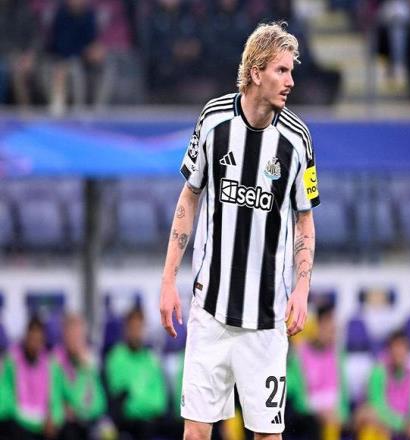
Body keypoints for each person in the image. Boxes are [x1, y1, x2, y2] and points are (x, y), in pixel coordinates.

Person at [159, 21, 320, 440]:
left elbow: (304, 219)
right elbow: (189, 197)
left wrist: (302, 288)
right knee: (196, 433)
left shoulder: (297, 139)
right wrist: (168, 281)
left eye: (291, 71)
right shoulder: (213, 120)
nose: (291, 81)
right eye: (281, 70)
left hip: (266, 323)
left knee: (267, 436)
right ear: (255, 72)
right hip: (210, 314)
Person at [354, 330, 410, 440]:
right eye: (396, 347)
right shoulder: (378, 372)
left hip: (404, 423)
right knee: (370, 419)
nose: (399, 352)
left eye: (403, 348)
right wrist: (403, 424)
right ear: (389, 350)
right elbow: (377, 406)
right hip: (385, 421)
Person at [104, 306, 167, 440]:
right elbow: (121, 397)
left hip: (152, 420)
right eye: (132, 328)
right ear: (126, 329)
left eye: (139, 327)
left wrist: (143, 405)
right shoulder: (116, 357)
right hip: (129, 423)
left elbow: (160, 400)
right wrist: (145, 405)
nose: (136, 332)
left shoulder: (151, 358)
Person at [3, 316, 64, 440]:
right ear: (26, 337)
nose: (34, 344)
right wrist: (25, 419)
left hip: (44, 426)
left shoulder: (51, 365)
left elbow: (56, 399)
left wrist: (54, 419)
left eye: (38, 340)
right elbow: (5, 398)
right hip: (18, 423)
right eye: (32, 339)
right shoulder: (12, 361)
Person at [296, 302, 349, 440]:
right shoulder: (300, 353)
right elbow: (298, 398)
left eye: (333, 327)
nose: (332, 330)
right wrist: (317, 412)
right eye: (327, 325)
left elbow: (343, 394)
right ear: (317, 326)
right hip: (309, 415)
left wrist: (341, 415)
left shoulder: (338, 354)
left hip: (334, 414)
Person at [54, 313, 106, 440]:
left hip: (89, 420)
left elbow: (99, 403)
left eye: (78, 334)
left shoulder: (90, 363)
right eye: (71, 333)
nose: (75, 338)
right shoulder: (55, 361)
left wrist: (85, 370)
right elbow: (56, 398)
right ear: (64, 334)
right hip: (66, 424)